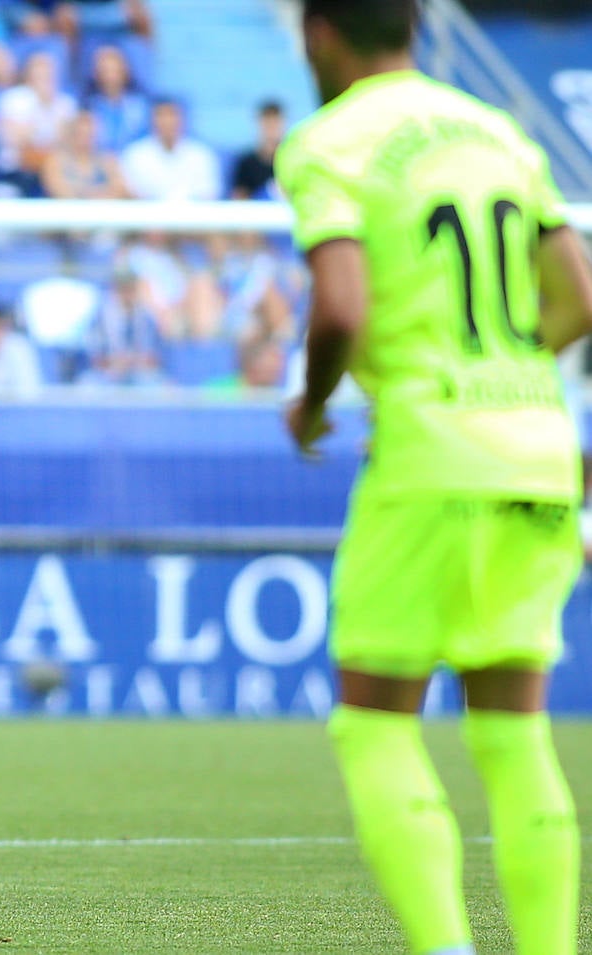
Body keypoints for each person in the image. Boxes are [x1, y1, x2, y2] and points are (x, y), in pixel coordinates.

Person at [277, 2, 592, 954]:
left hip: (428, 456)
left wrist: (313, 401)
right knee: (514, 730)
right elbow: (578, 297)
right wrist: (505, 373)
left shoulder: (328, 142)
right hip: (543, 451)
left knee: (373, 721)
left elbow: (338, 308)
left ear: (319, 34)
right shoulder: (501, 131)